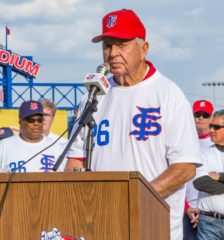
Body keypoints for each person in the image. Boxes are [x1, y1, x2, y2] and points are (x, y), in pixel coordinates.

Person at [65, 9, 201, 239]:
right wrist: (82, 198)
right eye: (107, 45)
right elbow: (76, 158)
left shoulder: (168, 93)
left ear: (144, 48)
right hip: (100, 223)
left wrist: (133, 198)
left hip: (152, 225)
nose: (113, 53)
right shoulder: (94, 95)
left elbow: (185, 167)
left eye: (122, 44)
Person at [0, 100, 66, 173]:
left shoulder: (57, 147)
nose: (36, 123)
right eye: (31, 120)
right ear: (20, 121)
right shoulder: (3, 147)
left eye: (40, 120)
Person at [184, 99, 214, 239]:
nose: (201, 117)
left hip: (211, 213)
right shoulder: (182, 140)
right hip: (187, 210)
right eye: (197, 114)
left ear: (211, 118)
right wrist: (186, 207)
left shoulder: (218, 143)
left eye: (205, 114)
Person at [191, 110, 224, 240]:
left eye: (216, 127)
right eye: (211, 126)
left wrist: (220, 177)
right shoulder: (202, 153)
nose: (211, 130)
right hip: (209, 222)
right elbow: (200, 182)